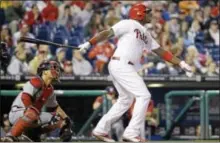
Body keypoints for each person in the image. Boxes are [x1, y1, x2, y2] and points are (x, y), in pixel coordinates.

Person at [78, 3, 192, 142]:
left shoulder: (146, 33)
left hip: (123, 66)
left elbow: (161, 51)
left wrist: (180, 63)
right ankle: (131, 132)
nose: (150, 14)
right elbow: (108, 33)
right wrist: (90, 43)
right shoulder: (128, 23)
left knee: (126, 100)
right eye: (147, 12)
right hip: (121, 63)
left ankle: (101, 129)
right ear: (139, 14)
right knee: (144, 95)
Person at [1, 60, 73, 142]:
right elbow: (25, 97)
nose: (56, 70)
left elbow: (55, 107)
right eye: (53, 68)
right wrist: (31, 111)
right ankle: (11, 136)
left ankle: (32, 135)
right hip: (17, 113)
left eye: (57, 69)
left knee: (57, 118)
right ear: (44, 72)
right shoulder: (36, 81)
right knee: (33, 112)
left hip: (32, 115)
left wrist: (66, 120)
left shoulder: (50, 89)